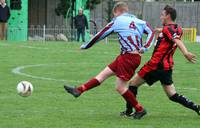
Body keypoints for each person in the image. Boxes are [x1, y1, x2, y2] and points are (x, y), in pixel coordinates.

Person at [64, 2, 155, 119]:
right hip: (129, 57)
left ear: (117, 11)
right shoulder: (139, 21)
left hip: (128, 58)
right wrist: (145, 47)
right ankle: (79, 90)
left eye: (114, 14)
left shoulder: (117, 21)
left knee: (120, 87)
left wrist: (86, 45)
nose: (114, 17)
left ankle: (140, 109)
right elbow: (151, 32)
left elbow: (101, 34)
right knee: (103, 74)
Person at [120, 5, 200, 119]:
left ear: (168, 16)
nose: (160, 17)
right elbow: (173, 34)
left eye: (162, 15)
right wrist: (160, 30)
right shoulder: (177, 28)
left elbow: (176, 39)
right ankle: (197, 108)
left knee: (132, 84)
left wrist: (186, 53)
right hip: (167, 67)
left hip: (155, 65)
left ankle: (130, 111)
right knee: (172, 95)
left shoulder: (168, 29)